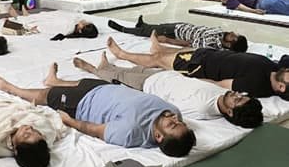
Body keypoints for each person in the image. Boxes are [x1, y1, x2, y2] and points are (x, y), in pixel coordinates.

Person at [0, 63, 196, 158]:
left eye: (172, 125)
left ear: (158, 136)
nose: (175, 118)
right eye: (180, 123)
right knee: (78, 82)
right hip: (104, 88)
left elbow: (94, 129)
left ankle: (11, 88)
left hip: (82, 103)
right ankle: (55, 81)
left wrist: (69, 121)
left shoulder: (130, 132)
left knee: (47, 95)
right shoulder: (174, 112)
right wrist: (175, 121)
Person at [73, 53, 263, 128]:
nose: (237, 94)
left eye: (238, 100)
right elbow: (202, 82)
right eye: (242, 96)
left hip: (149, 85)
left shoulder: (202, 108)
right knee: (127, 70)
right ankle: (106, 66)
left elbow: (171, 106)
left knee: (119, 77)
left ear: (230, 112)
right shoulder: (221, 95)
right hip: (165, 76)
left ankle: (92, 69)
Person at [106, 33, 289, 100]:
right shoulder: (274, 69)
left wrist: (192, 77)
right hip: (211, 55)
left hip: (199, 66)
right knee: (167, 54)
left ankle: (122, 55)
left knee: (158, 60)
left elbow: (220, 85)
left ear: (281, 87)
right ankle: (159, 48)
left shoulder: (257, 85)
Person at [108, 16, 248, 52]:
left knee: (150, 32)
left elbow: (186, 44)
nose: (231, 32)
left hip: (175, 33)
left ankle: (124, 29)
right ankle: (142, 24)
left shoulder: (210, 44)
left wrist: (167, 40)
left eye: (233, 36)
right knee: (158, 26)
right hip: (183, 26)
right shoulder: (221, 33)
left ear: (229, 43)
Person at [7, 6, 98, 41]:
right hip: (56, 19)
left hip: (53, 24)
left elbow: (52, 29)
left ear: (80, 30)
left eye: (85, 24)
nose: (85, 21)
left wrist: (37, 29)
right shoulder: (75, 23)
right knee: (49, 17)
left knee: (45, 22)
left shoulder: (68, 29)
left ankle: (19, 18)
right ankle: (27, 17)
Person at [222, 0, 289, 16]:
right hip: (262, 2)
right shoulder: (230, 0)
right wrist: (254, 11)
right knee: (284, 5)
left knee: (285, 3)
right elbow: (240, 6)